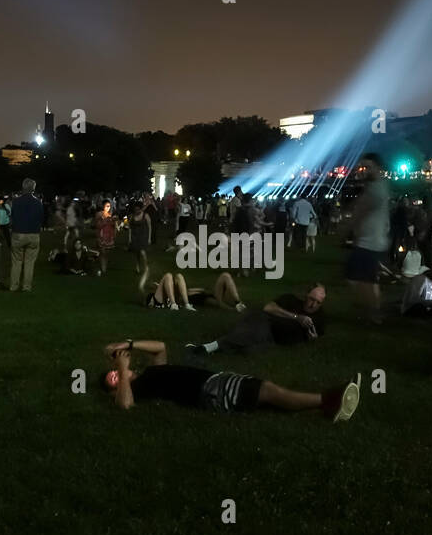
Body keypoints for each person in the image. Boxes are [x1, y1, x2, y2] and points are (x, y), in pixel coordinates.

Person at [99, 340, 361, 422]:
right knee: (268, 391)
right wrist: (122, 371)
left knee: (265, 392)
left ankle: (328, 404)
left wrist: (129, 344)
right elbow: (125, 406)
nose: (114, 376)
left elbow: (160, 348)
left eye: (111, 372)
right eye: (110, 380)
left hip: (216, 380)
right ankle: (329, 400)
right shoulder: (136, 388)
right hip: (210, 391)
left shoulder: (150, 374)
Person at [187, 283, 327, 355]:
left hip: (273, 340)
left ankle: (214, 348)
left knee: (248, 350)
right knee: (250, 334)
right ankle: (207, 347)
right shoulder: (291, 299)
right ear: (306, 294)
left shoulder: (320, 319)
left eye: (318, 302)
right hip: (263, 321)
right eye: (311, 299)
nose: (313, 304)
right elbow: (268, 308)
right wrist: (297, 317)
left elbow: (314, 337)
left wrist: (311, 339)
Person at [346, 153, 391, 323]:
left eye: (367, 167)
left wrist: (345, 230)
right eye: (362, 167)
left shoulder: (375, 190)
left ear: (377, 168)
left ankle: (373, 311)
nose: (363, 170)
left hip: (369, 243)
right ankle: (373, 310)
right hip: (373, 241)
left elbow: (358, 214)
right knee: (369, 280)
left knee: (356, 278)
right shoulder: (380, 186)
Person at [8, 178, 43, 293]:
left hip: (19, 233)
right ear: (33, 188)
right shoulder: (38, 202)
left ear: (23, 187)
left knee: (16, 261)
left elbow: (12, 217)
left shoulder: (16, 202)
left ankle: (14, 286)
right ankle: (26, 287)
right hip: (33, 234)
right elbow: (41, 218)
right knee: (29, 262)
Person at [95, 200, 117, 274]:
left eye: (109, 206)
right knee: (103, 252)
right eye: (107, 206)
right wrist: (105, 220)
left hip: (109, 236)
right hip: (102, 235)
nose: (109, 208)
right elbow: (98, 225)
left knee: (107, 252)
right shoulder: (99, 214)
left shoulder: (110, 215)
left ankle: (104, 266)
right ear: (103, 206)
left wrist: (114, 222)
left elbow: (113, 226)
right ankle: (103, 268)